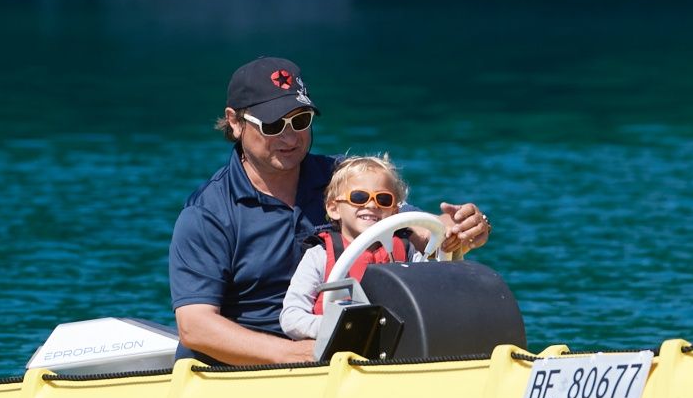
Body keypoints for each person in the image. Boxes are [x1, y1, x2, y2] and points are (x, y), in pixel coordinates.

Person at [168, 56, 491, 364]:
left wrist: (456, 229)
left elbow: (417, 225)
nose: (290, 136)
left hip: (347, 354)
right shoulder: (207, 213)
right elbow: (195, 326)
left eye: (300, 120)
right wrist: (295, 355)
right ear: (236, 123)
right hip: (252, 371)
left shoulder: (346, 181)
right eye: (273, 125)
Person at [278, 153, 432, 340]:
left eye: (383, 200)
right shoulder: (319, 256)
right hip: (338, 354)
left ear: (395, 212)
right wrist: (336, 327)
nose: (372, 204)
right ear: (334, 209)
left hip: (397, 349)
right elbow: (291, 318)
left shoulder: (408, 252)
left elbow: (429, 296)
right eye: (359, 197)